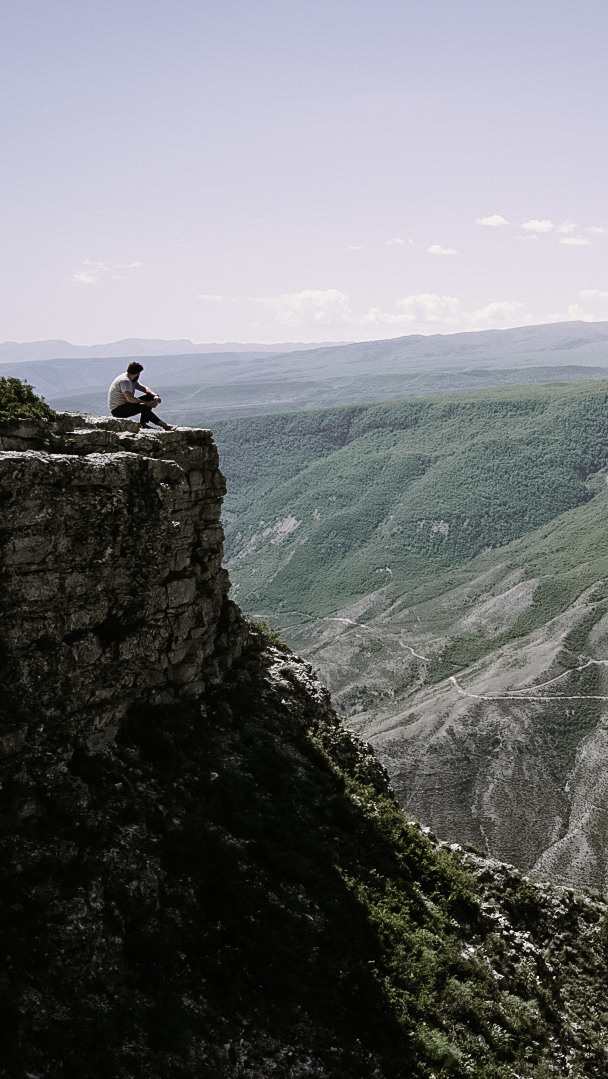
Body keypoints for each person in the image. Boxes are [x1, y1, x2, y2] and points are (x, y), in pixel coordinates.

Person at [108, 362, 176, 430]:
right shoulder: (125, 381)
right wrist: (147, 403)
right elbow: (130, 399)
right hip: (118, 410)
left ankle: (143, 423)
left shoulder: (131, 379)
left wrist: (155, 396)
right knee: (144, 406)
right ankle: (164, 425)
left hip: (125, 405)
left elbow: (144, 388)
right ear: (137, 373)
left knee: (150, 397)